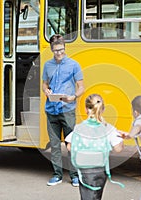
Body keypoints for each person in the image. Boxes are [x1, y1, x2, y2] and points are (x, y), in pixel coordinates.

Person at [42, 34, 85, 187]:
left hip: (67, 109)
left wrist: (73, 97)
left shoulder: (74, 65)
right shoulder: (47, 65)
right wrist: (46, 91)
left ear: (65, 48)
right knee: (54, 145)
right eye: (55, 51)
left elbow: (81, 87)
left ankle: (74, 176)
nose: (59, 53)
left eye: (61, 50)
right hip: (51, 109)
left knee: (71, 144)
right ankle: (57, 175)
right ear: (52, 50)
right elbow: (45, 84)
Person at [65, 94, 124, 200]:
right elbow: (118, 149)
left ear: (86, 109)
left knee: (87, 196)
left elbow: (69, 146)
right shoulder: (108, 128)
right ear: (103, 109)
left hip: (84, 169)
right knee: (96, 196)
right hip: (101, 169)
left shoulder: (79, 128)